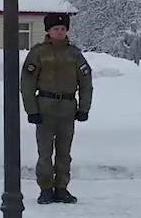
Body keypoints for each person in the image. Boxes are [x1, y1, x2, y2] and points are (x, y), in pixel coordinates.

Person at [21, 13, 92, 204]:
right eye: (55, 29)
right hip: (45, 108)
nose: (59, 32)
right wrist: (32, 110)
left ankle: (61, 188)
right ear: (48, 31)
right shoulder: (38, 53)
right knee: (45, 153)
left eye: (62, 29)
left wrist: (84, 108)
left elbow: (86, 83)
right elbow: (27, 83)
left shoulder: (74, 54)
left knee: (64, 153)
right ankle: (45, 189)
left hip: (67, 109)